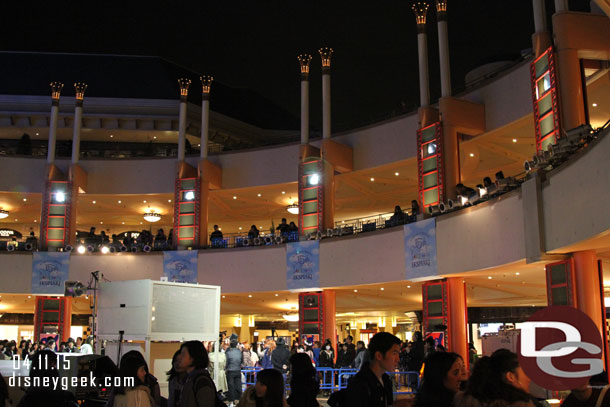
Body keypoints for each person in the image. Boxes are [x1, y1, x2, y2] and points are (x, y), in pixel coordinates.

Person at [344, 332, 411, 407]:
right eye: (394, 353)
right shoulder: (360, 385)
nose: (398, 359)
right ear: (379, 355)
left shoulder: (386, 380)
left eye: (398, 353)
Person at [454, 348, 535, 407]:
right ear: (510, 376)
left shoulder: (465, 401)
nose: (529, 378)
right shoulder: (522, 404)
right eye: (524, 372)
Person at [177, 340, 218, 407]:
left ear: (193, 358)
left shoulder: (201, 381)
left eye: (183, 355)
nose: (180, 358)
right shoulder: (189, 378)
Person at [225, 338, 243, 403]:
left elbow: (226, 362)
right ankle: (239, 398)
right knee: (238, 385)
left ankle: (232, 400)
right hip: (238, 370)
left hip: (230, 370)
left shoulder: (228, 352)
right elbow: (241, 361)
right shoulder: (239, 352)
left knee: (231, 386)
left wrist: (226, 368)